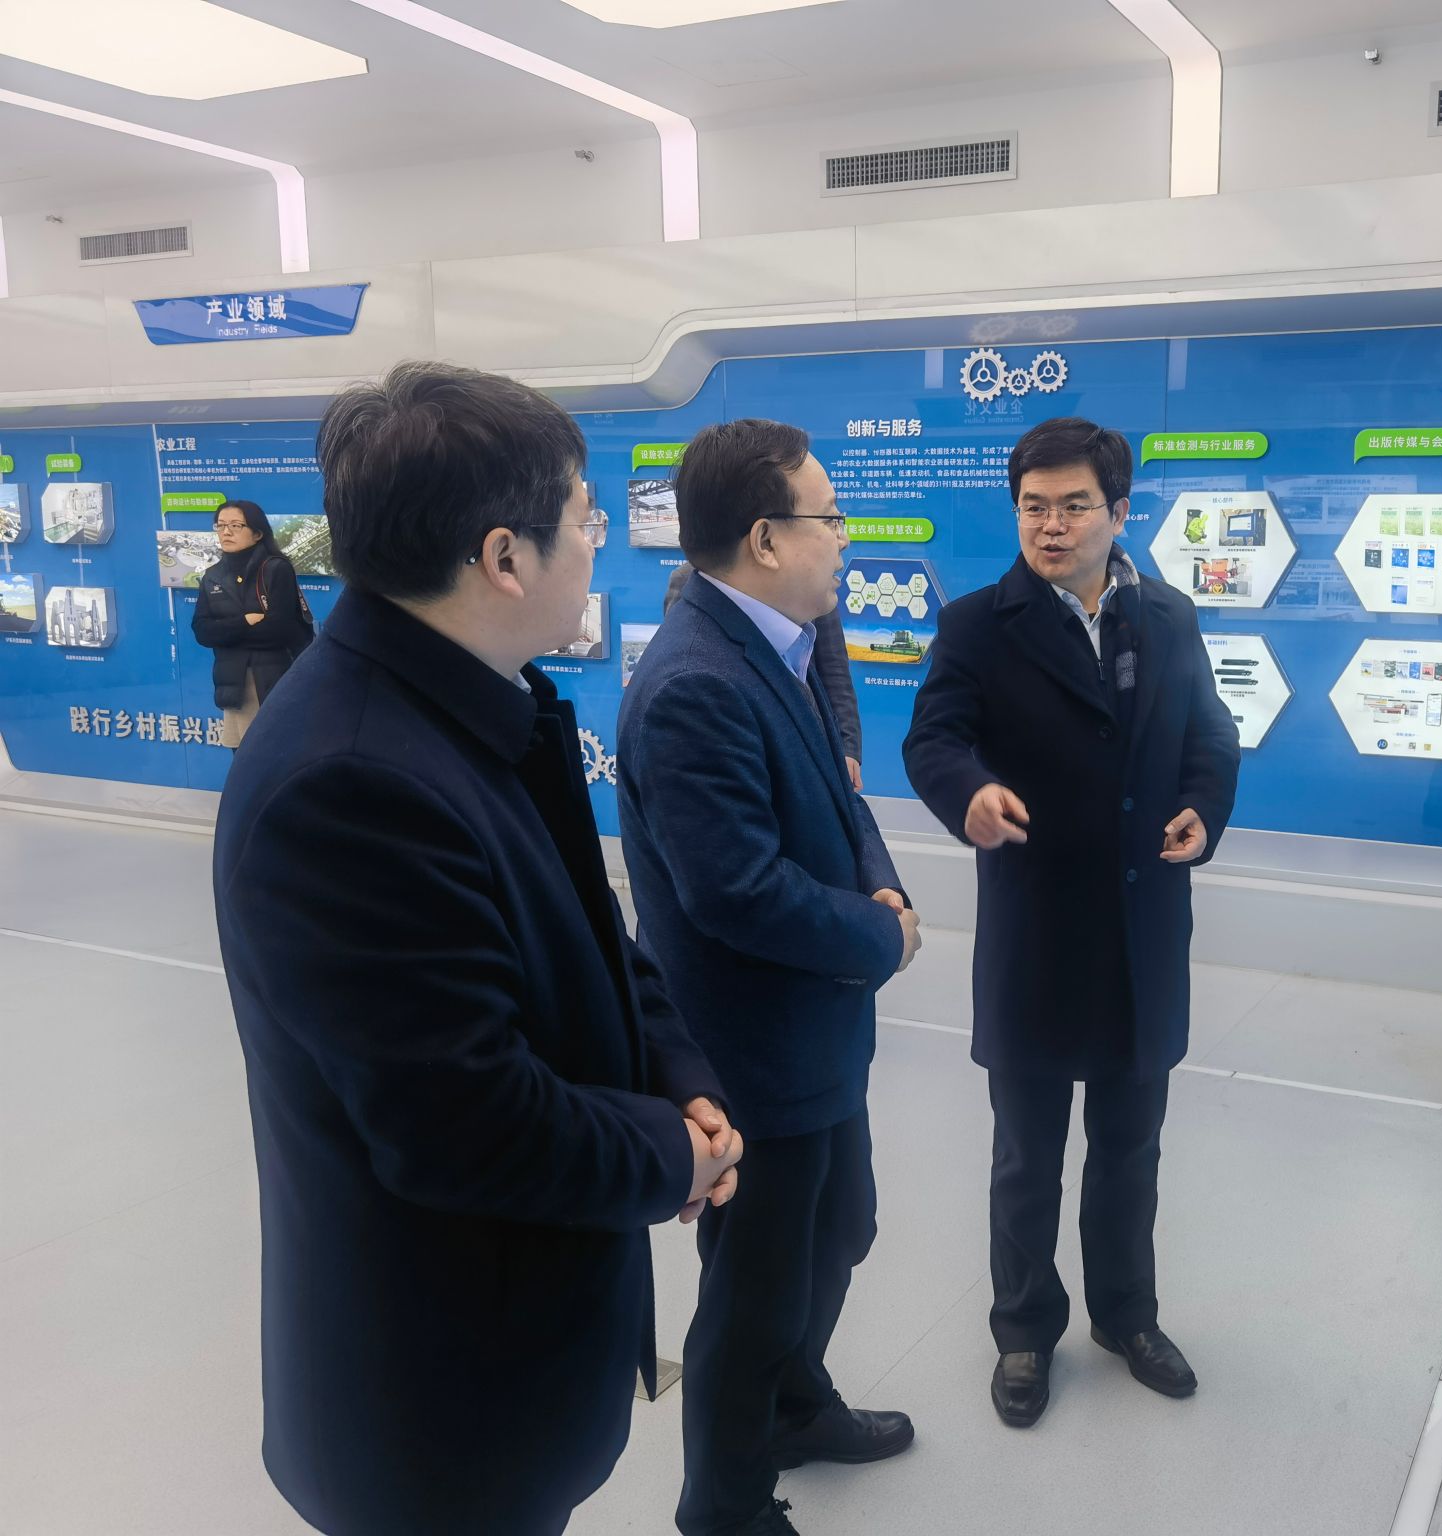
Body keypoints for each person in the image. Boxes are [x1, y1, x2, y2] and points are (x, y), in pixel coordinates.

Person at [212, 361, 742, 1536]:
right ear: (504, 557)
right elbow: (465, 1121)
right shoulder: (351, 782)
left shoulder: (470, 704)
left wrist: (680, 1077)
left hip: (518, 1344)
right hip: (437, 1401)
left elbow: (586, 931)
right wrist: (674, 1156)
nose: (598, 546)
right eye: (586, 521)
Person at [901, 416, 1241, 1429]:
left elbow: (1211, 736)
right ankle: (1022, 1331)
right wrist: (966, 791)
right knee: (1026, 1158)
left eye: (1073, 505)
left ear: (1118, 511)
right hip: (1037, 932)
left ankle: (1127, 1316)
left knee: (1131, 1150)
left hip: (1143, 934)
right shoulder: (977, 625)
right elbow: (933, 740)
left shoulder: (1169, 616)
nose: (1050, 525)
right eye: (1032, 507)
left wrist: (1203, 808)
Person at [618, 419, 921, 1536]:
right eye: (829, 518)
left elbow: (841, 793)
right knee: (754, 1292)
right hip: (755, 1050)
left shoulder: (779, 642)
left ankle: (795, 1407)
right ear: (763, 538)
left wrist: (880, 888)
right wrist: (879, 939)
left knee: (838, 1229)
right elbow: (735, 891)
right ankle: (725, 1506)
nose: (845, 538)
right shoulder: (695, 681)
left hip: (813, 1035)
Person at [665, 558, 865, 788]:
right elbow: (680, 661)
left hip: (807, 740)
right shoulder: (687, 580)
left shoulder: (809, 583)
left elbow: (834, 667)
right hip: (732, 743)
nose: (841, 543)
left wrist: (847, 746)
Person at [189, 499, 315, 748]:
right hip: (233, 684)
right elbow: (202, 632)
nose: (226, 532)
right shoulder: (212, 576)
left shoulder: (276, 569)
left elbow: (279, 631)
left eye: (236, 525)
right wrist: (244, 622)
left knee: (278, 754)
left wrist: (225, 635)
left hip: (274, 678)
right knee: (243, 758)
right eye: (220, 525)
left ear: (257, 533)